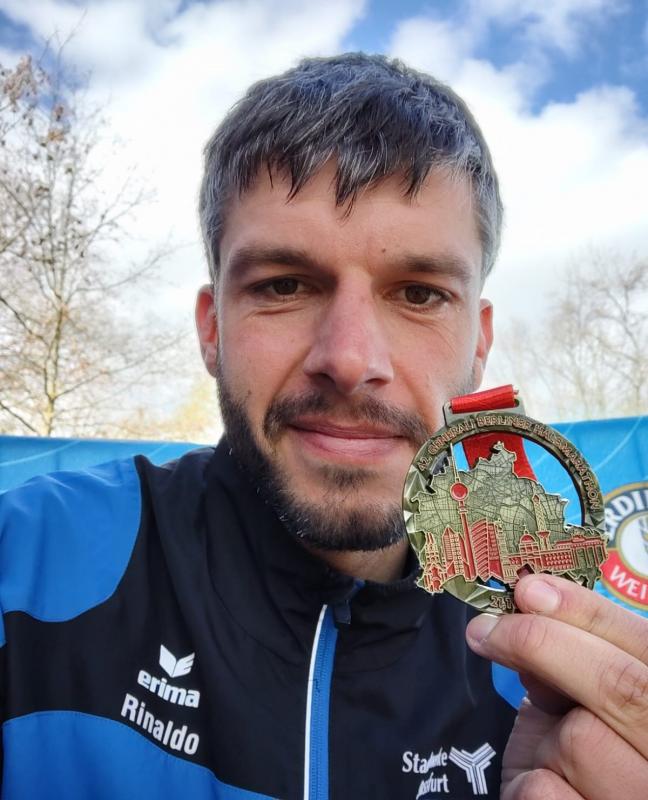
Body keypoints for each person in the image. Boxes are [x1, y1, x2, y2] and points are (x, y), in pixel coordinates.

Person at [1, 53, 647, 800]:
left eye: (419, 294)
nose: (349, 359)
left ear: (479, 344)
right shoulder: (23, 563)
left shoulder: (567, 674)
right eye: (284, 284)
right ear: (212, 328)